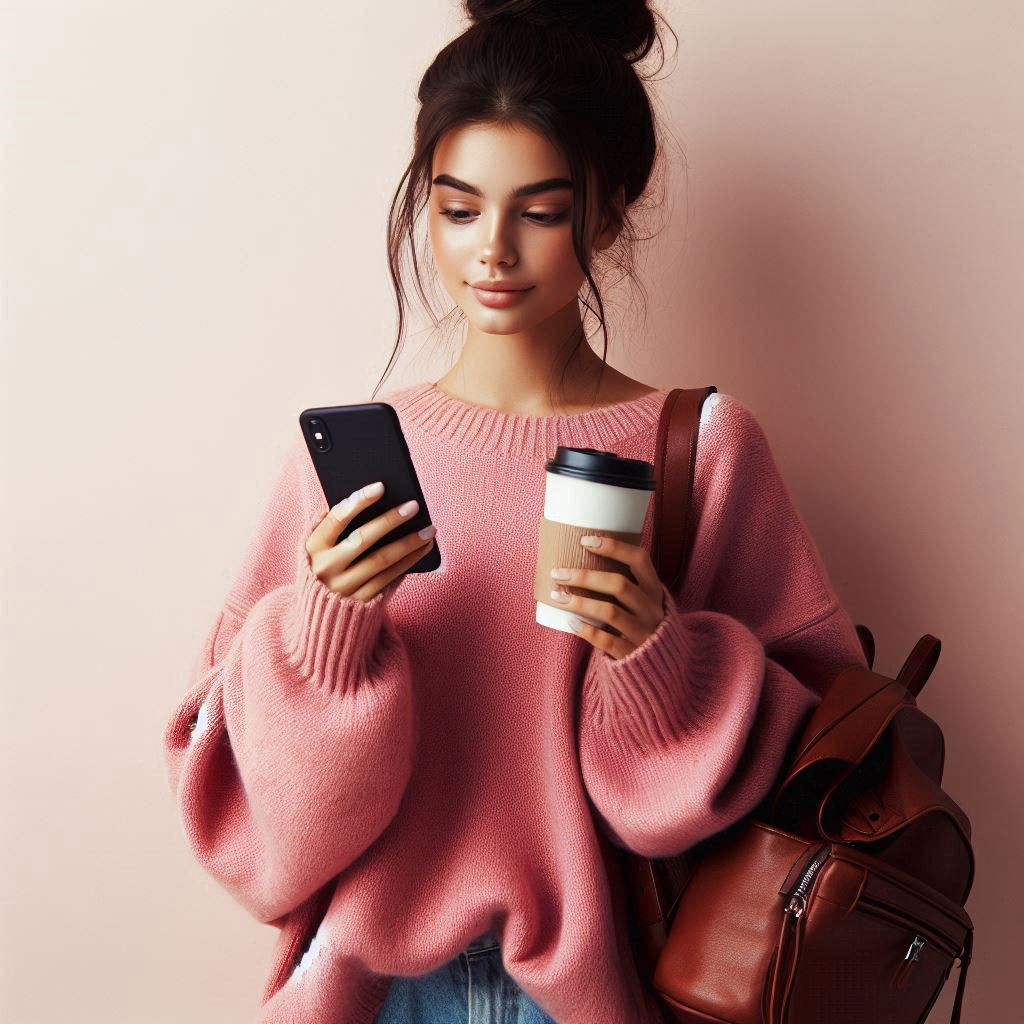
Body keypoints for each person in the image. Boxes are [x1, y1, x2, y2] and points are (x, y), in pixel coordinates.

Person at [161, 1, 870, 1022]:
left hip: (596, 985)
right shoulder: (348, 461)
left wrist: (657, 657)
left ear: (610, 214)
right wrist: (325, 635)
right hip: (372, 989)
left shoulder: (702, 448)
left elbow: (822, 732)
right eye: (458, 209)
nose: (491, 249)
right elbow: (223, 765)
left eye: (538, 212)